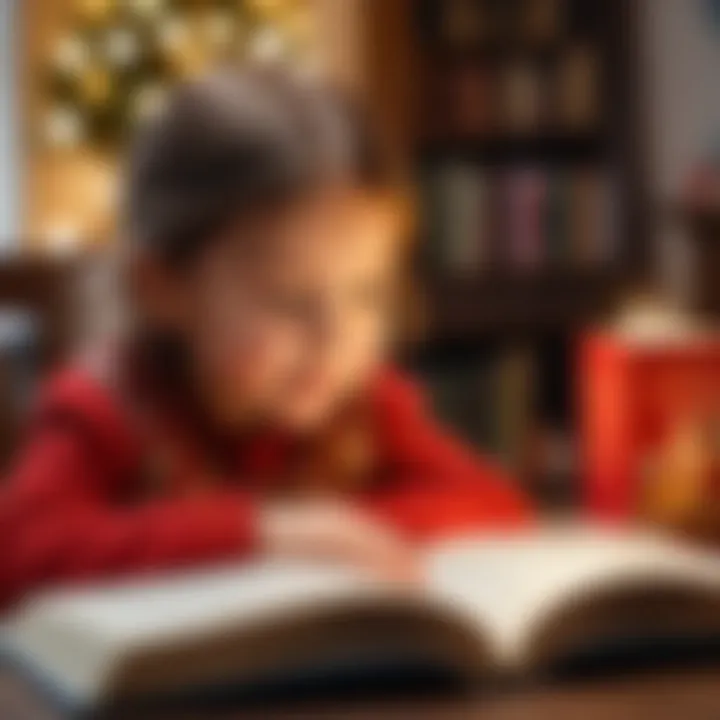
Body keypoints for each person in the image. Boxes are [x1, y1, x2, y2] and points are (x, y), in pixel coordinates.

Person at [1, 67, 531, 610]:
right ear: (161, 288)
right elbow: (19, 555)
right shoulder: (102, 410)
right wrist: (260, 535)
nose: (336, 338)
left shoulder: (365, 410)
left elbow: (494, 502)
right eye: (290, 301)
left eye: (368, 295)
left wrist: (336, 533)